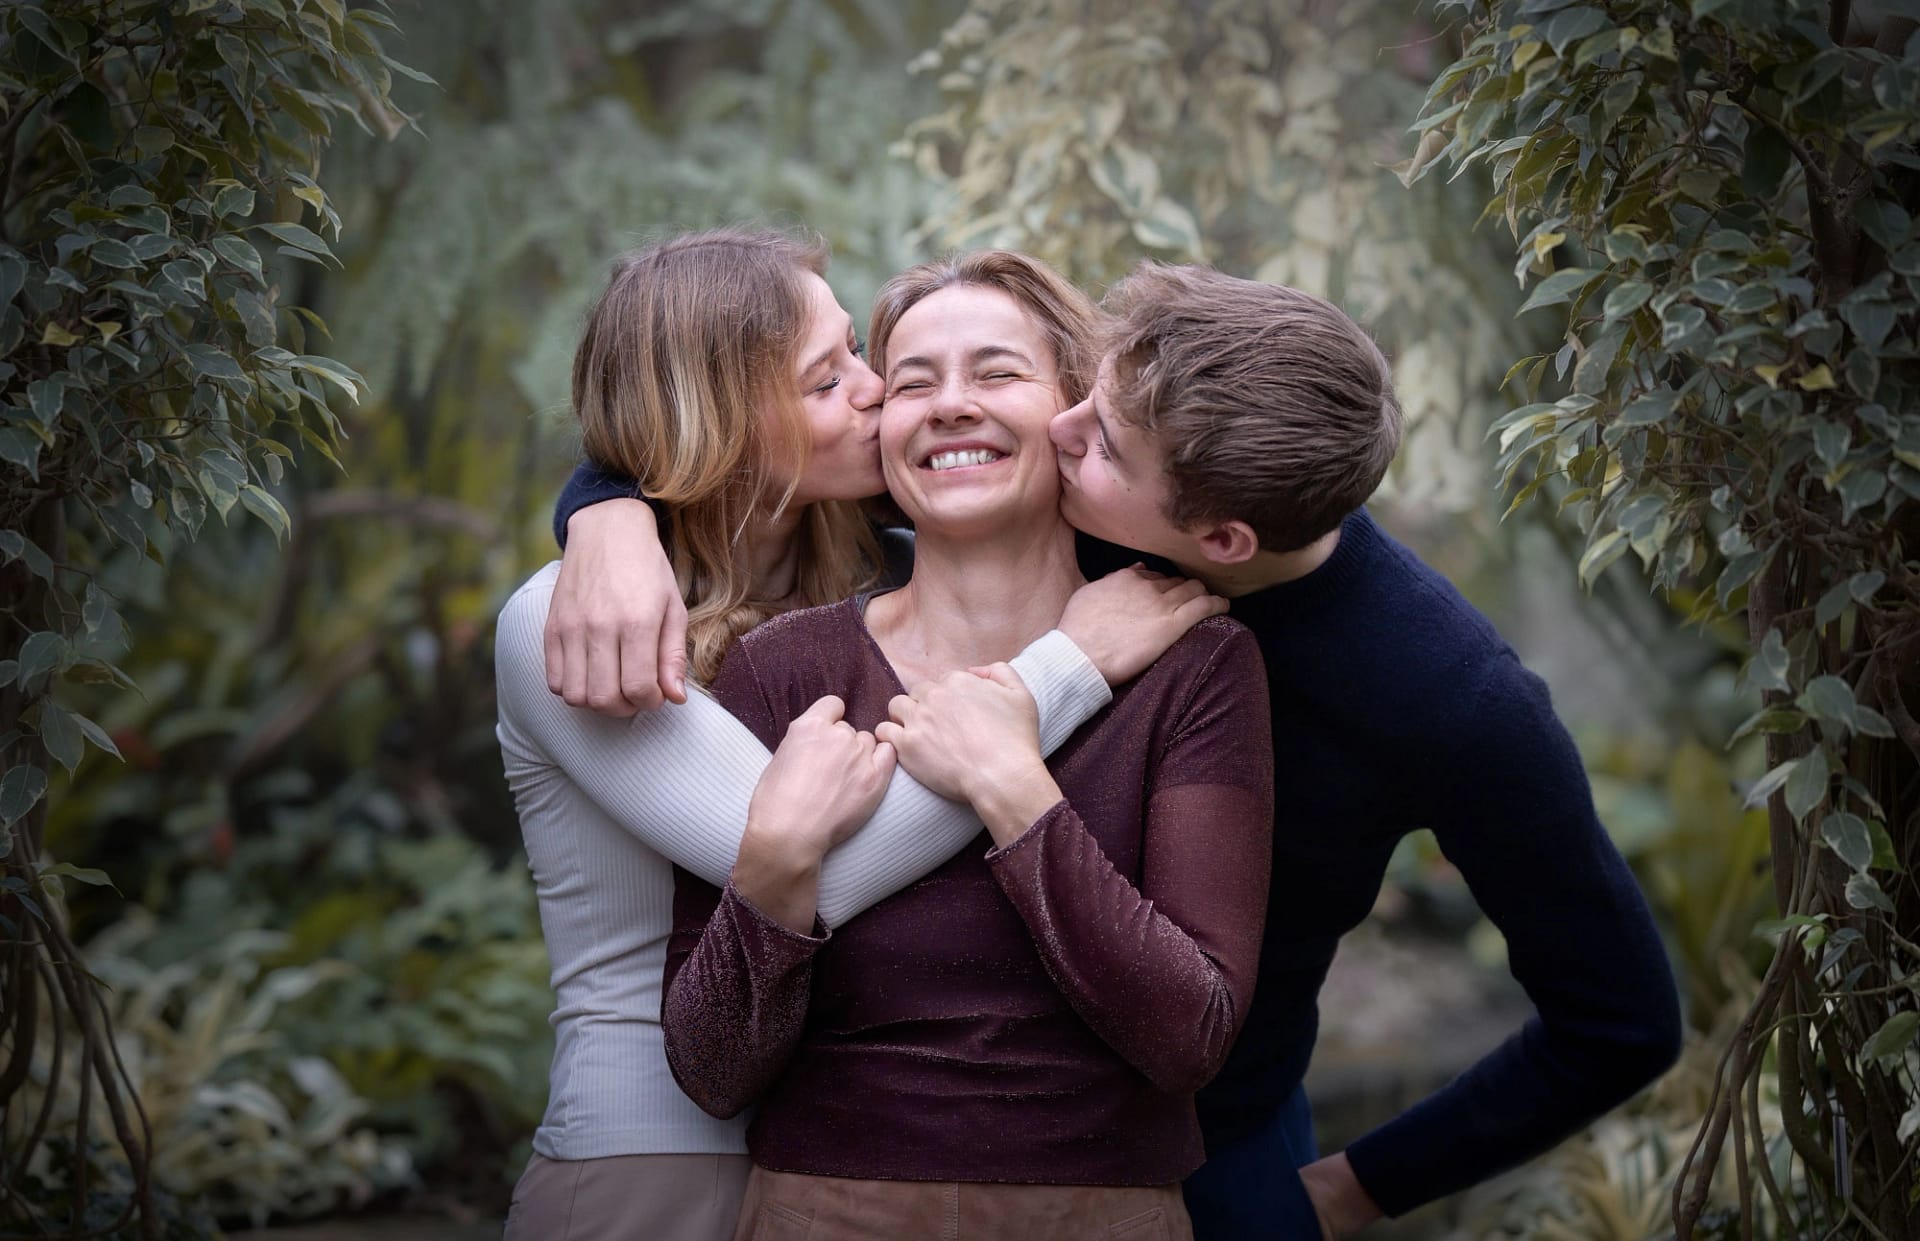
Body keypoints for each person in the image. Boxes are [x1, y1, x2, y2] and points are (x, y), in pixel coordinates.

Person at [548, 262, 1684, 1238]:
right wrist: (604, 510)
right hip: (862, 1157)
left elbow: (1620, 1019)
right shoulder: (1098, 479)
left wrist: (1344, 1193)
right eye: (1081, 389)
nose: (1059, 427)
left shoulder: (1442, 693)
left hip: (1216, 1145)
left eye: (1094, 436)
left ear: (1215, 540)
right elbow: (772, 433)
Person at [494, 230, 1226, 1241]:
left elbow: (1139, 470)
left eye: (857, 352)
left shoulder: (876, 566)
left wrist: (599, 501)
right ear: (722, 420)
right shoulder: (572, 619)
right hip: (654, 1156)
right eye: (828, 377)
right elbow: (810, 868)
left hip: (825, 1143)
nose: (881, 390)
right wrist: (1069, 666)